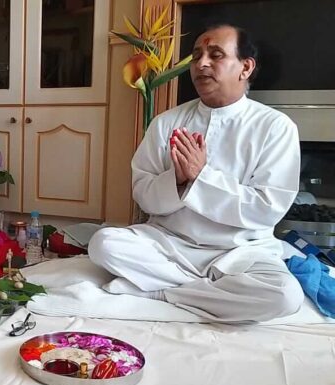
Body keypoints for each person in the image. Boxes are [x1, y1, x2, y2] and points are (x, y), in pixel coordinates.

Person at [88, 24, 303, 322]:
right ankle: (209, 293)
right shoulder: (167, 122)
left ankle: (160, 292)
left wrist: (201, 177)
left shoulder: (275, 127)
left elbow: (266, 209)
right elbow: (143, 193)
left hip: (240, 250)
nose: (201, 64)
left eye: (216, 55)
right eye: (197, 55)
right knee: (103, 244)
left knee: (284, 296)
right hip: (170, 243)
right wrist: (177, 181)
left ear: (245, 67)